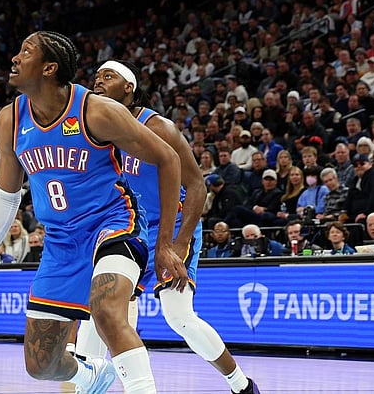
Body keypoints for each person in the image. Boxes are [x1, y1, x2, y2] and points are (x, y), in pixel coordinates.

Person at [0, 32, 187, 394]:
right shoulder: (9, 120)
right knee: (41, 366)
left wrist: (166, 242)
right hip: (60, 242)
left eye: (25, 51)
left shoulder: (98, 111)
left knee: (106, 310)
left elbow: (168, 159)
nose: (14, 58)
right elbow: (5, 198)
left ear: (49, 68)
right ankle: (91, 376)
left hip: (113, 224)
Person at [78, 60, 258, 394]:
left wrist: (177, 245)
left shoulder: (157, 127)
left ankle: (242, 385)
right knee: (102, 310)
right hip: (129, 229)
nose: (98, 82)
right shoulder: (99, 133)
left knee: (179, 317)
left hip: (172, 225)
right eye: (95, 77)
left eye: (108, 76)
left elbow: (198, 187)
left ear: (128, 88)